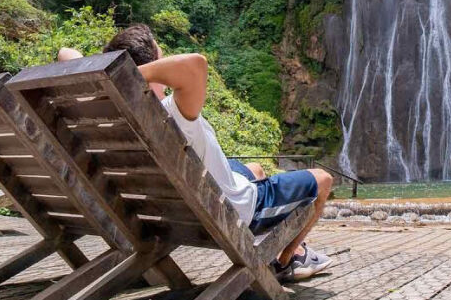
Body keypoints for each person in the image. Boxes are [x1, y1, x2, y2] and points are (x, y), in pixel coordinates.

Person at [58, 26, 332, 282]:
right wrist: (126, 74)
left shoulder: (106, 116)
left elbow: (65, 53)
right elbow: (195, 64)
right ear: (153, 64)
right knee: (323, 179)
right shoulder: (169, 112)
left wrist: (113, 77)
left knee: (256, 169)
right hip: (231, 211)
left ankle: (280, 246)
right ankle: (287, 261)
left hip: (174, 213)